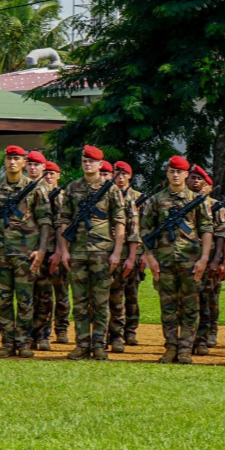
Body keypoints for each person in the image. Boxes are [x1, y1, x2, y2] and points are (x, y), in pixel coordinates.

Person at [0, 145, 52, 359]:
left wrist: (41, 251)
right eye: (9, 158)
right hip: (0, 254)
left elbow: (46, 221)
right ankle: (7, 343)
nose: (12, 162)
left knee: (25, 300)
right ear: (5, 162)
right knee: (3, 301)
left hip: (25, 254)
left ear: (23, 163)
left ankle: (24, 342)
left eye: (17, 159)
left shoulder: (35, 188)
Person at [54, 145, 125, 361]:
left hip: (103, 252)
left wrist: (117, 253)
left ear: (99, 164)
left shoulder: (111, 189)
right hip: (77, 252)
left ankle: (99, 345)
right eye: (84, 161)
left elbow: (120, 221)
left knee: (101, 302)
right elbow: (63, 220)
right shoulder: (73, 188)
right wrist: (64, 251)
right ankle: (82, 345)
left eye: (91, 161)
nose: (87, 164)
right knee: (80, 302)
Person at [141, 156, 213, 364]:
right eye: (171, 171)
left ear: (185, 175)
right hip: (164, 261)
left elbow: (207, 229)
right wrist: (150, 257)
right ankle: (171, 347)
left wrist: (204, 258)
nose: (175, 175)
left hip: (190, 261)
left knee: (191, 307)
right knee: (168, 307)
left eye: (179, 172)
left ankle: (185, 349)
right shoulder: (156, 200)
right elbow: (145, 229)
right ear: (167, 173)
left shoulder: (197, 200)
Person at [187, 165, 225, 356]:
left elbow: (223, 235)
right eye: (192, 178)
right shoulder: (182, 202)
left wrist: (220, 261)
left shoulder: (216, 207)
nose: (196, 181)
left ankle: (208, 333)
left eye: (200, 179)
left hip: (210, 260)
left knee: (208, 299)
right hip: (186, 259)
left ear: (207, 185)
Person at [106, 161, 140, 353]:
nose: (119, 178)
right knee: (110, 298)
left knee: (130, 296)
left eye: (123, 174)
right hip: (107, 252)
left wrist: (138, 255)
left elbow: (137, 229)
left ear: (129, 176)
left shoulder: (137, 198)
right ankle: (110, 335)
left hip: (129, 253)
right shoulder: (107, 195)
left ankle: (130, 331)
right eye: (116, 174)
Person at [25, 151, 57, 351]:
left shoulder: (55, 192)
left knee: (45, 296)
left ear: (44, 168)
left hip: (48, 250)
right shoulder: (20, 188)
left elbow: (61, 223)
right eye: (30, 164)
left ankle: (44, 335)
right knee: (25, 297)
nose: (33, 168)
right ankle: (26, 335)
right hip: (23, 250)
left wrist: (58, 251)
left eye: (37, 165)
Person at [43, 161, 71, 344]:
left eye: (52, 173)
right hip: (41, 251)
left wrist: (60, 251)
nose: (49, 176)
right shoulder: (37, 195)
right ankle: (42, 332)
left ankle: (61, 329)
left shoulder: (64, 196)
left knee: (61, 293)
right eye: (46, 173)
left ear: (58, 176)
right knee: (43, 295)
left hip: (59, 251)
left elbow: (65, 225)